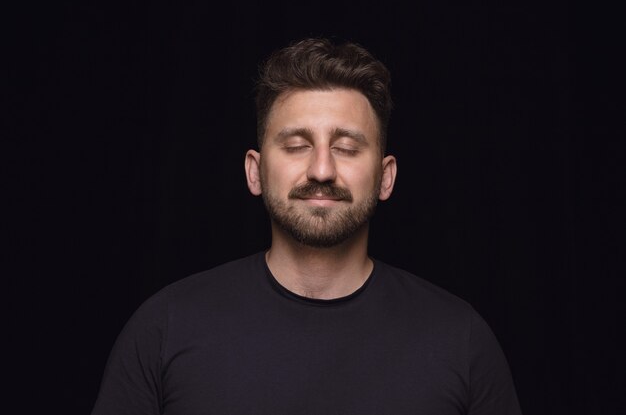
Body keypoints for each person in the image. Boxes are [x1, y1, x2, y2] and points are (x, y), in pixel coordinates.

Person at [91, 37, 522, 415]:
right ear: (255, 172)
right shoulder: (165, 329)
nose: (321, 169)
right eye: (297, 146)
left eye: (347, 148)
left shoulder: (460, 341)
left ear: (386, 176)